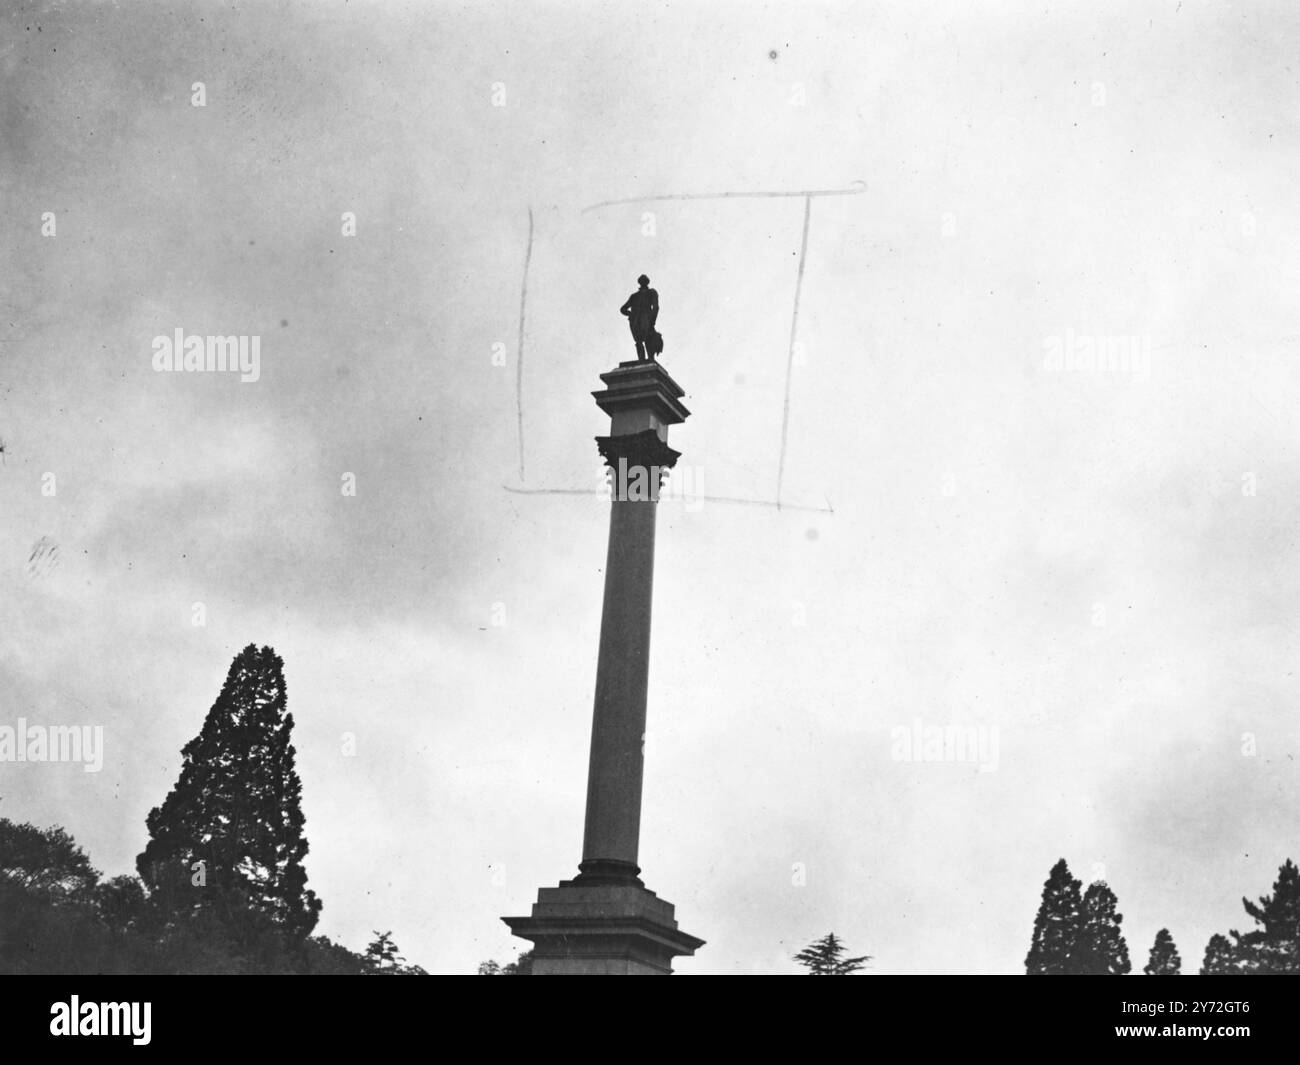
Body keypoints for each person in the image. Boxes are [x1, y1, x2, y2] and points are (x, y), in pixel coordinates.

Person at [619, 275, 659, 361]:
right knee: (645, 339)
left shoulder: (636, 295)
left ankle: (643, 360)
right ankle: (648, 360)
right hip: (644, 319)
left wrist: (630, 314)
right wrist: (652, 320)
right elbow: (656, 308)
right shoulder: (650, 292)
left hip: (636, 320)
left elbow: (623, 309)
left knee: (640, 341)